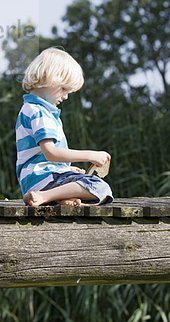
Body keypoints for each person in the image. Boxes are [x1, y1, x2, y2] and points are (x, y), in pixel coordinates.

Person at [15, 47, 113, 206]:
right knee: (100, 187)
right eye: (64, 89)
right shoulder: (40, 112)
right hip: (43, 179)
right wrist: (90, 155)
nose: (66, 96)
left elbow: (44, 156)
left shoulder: (30, 109)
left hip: (37, 179)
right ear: (48, 77)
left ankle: (59, 198)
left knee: (93, 189)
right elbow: (51, 153)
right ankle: (45, 196)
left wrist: (66, 169)